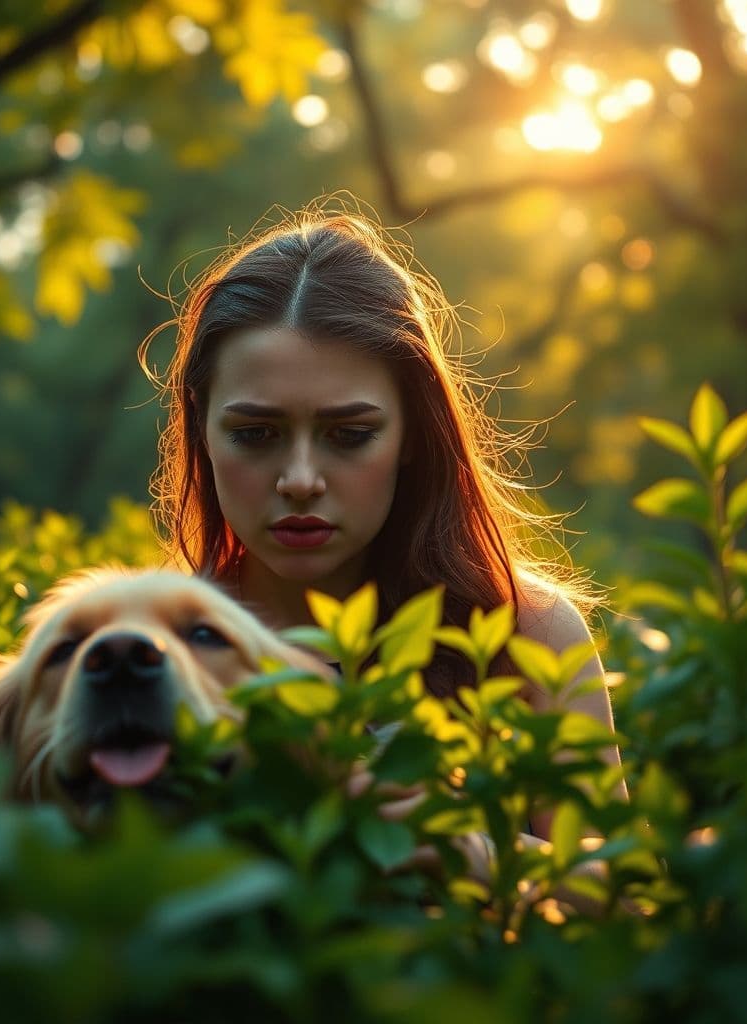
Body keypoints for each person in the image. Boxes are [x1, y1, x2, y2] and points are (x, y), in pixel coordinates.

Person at [141, 198, 627, 900]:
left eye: (348, 435)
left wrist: (464, 847)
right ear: (202, 431)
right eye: (255, 433)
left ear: (411, 439)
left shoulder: (528, 635)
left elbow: (633, 902)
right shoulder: (152, 651)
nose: (300, 480)